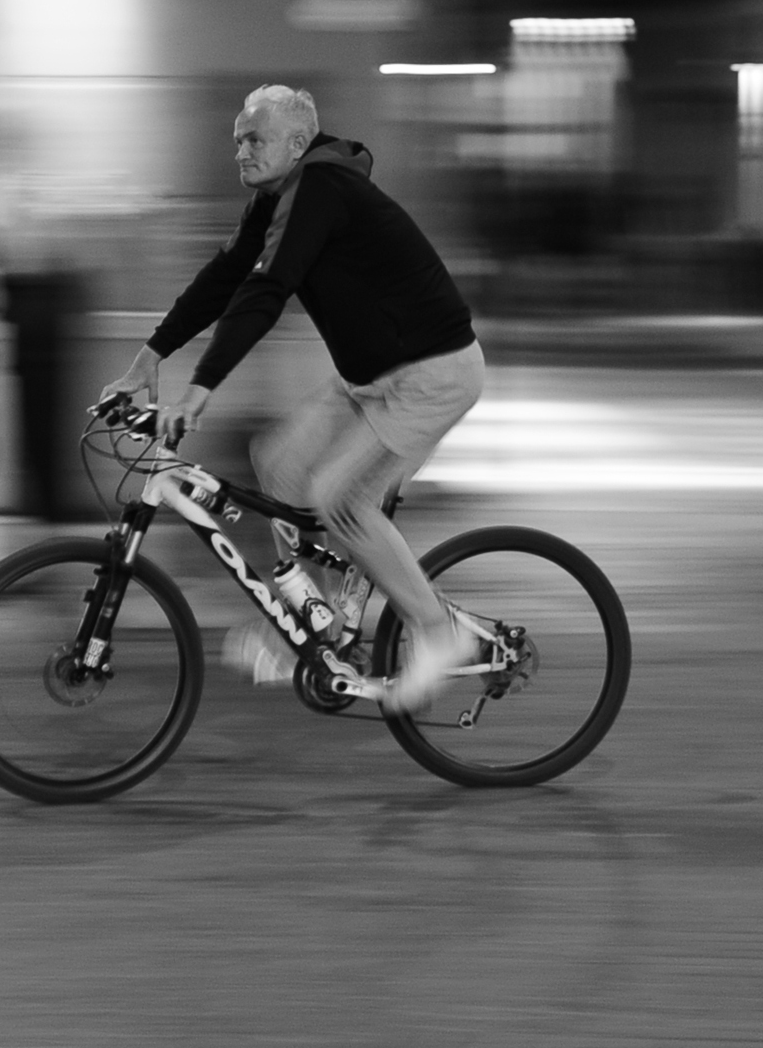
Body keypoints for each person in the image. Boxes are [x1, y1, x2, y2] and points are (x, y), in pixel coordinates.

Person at [101, 85, 484, 711]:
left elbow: (267, 291)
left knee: (340, 498)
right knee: (277, 461)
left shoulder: (323, 189)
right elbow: (225, 278)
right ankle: (313, 625)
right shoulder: (277, 199)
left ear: (297, 144)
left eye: (254, 140)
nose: (240, 153)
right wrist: (150, 356)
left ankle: (436, 633)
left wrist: (201, 389)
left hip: (432, 375)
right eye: (236, 142)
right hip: (369, 378)